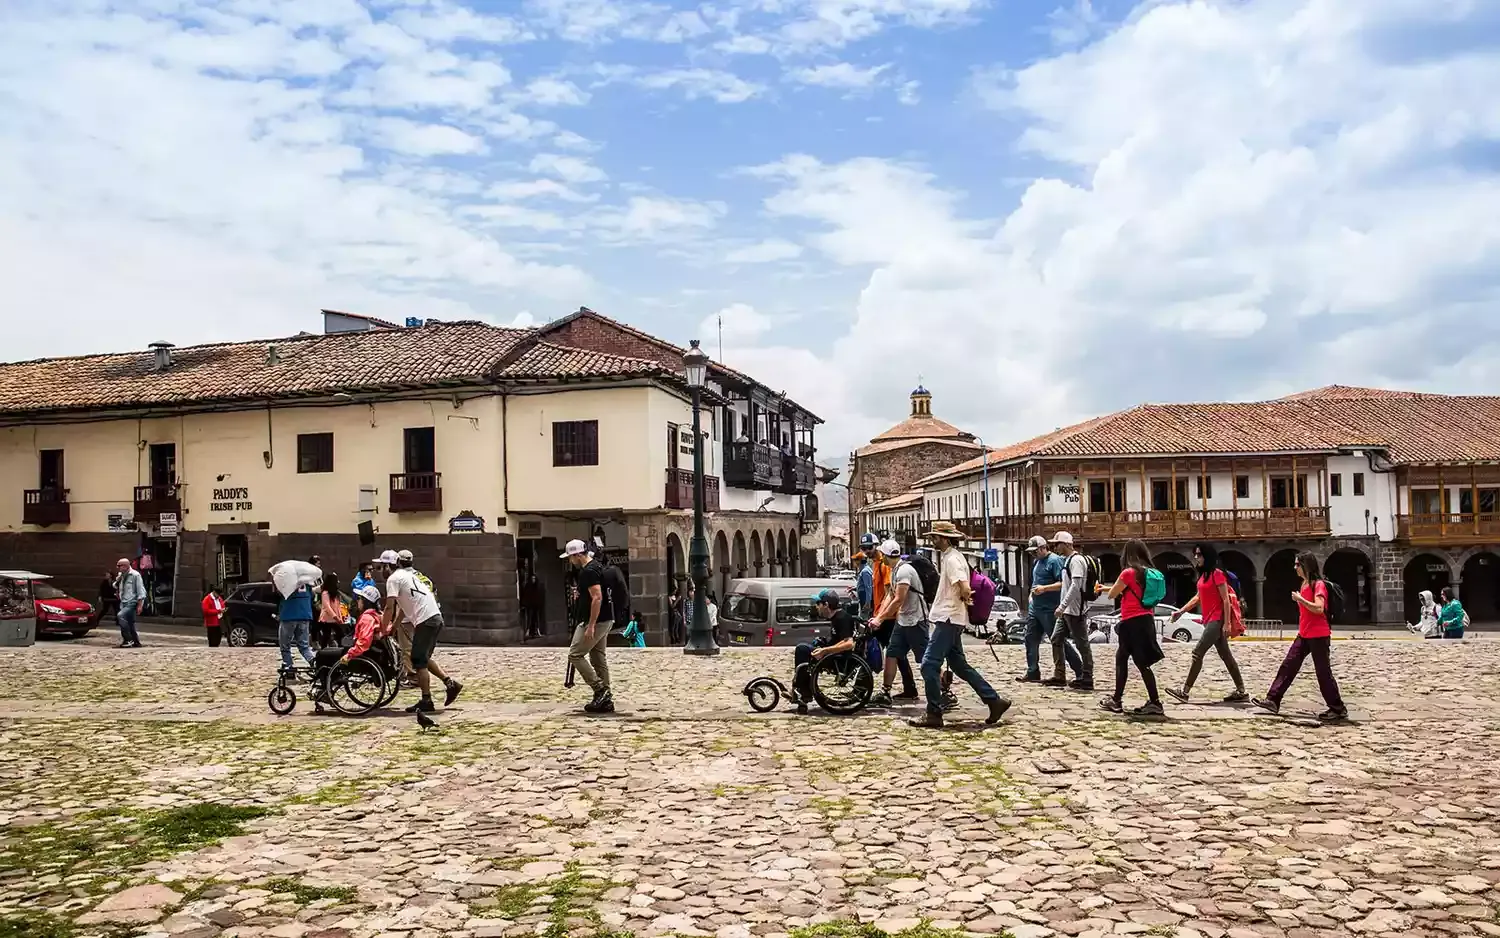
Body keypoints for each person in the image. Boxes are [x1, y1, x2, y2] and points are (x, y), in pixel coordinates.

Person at [909, 522, 1011, 729]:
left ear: (945, 539)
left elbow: (963, 585)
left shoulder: (953, 559)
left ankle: (934, 713)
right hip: (953, 618)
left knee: (929, 664)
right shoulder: (952, 557)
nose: (932, 540)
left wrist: (966, 597)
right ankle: (994, 701)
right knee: (959, 666)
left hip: (948, 618)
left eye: (935, 537)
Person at [1254, 552, 1347, 722]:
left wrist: (1300, 599)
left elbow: (1319, 608)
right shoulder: (1304, 584)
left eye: (1297, 564)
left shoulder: (1318, 585)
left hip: (1319, 635)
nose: (1295, 568)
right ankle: (1273, 700)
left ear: (1306, 566)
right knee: (1288, 666)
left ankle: (1338, 708)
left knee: (1323, 673)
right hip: (1304, 635)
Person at [379, 549, 462, 714]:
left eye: (381, 567)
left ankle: (427, 700)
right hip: (434, 617)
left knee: (418, 660)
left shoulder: (393, 579)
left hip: (426, 620)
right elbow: (402, 607)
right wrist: (394, 627)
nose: (379, 571)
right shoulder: (408, 576)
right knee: (422, 657)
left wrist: (382, 629)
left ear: (388, 566)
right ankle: (450, 683)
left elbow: (389, 607)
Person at [1164, 544, 1248, 704]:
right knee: (1226, 656)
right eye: (1195, 555)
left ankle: (1184, 691)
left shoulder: (1217, 574)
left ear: (1207, 556)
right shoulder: (1203, 577)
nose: (1196, 558)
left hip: (1217, 620)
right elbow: (1198, 598)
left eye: (1199, 555)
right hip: (1209, 619)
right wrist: (1180, 611)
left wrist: (1227, 624)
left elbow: (1225, 599)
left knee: (1197, 652)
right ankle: (1241, 691)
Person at [1097, 539, 1166, 716]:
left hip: (1131, 622)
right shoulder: (1150, 572)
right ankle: (1118, 699)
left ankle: (1152, 702)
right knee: (1128, 659)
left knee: (1136, 663)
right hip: (1146, 620)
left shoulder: (1128, 572)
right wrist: (1106, 588)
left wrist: (1108, 590)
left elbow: (1114, 593)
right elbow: (1127, 590)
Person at [312, 585, 386, 713]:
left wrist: (350, 654)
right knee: (331, 652)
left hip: (359, 655)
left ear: (365, 602)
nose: (358, 602)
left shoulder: (367, 618)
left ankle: (325, 687)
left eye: (360, 599)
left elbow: (363, 643)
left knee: (322, 655)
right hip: (367, 653)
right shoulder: (379, 615)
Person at [1017, 536, 1081, 683]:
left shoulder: (1055, 561)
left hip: (1049, 609)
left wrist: (1045, 589)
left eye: (1035, 551)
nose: (1033, 554)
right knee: (1030, 638)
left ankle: (1079, 668)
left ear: (1043, 548)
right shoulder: (1037, 562)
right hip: (1036, 608)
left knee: (1058, 641)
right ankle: (1032, 671)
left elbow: (1063, 583)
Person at [868, 539, 923, 706]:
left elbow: (898, 599)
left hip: (916, 620)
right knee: (892, 654)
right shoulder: (894, 570)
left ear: (885, 555)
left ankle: (945, 689)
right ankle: (885, 692)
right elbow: (889, 596)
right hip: (903, 620)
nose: (881, 558)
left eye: (882, 555)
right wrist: (878, 616)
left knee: (926, 659)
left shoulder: (904, 571)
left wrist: (881, 618)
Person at [563, 539, 615, 713]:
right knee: (598, 657)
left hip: (596, 621)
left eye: (570, 557)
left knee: (575, 654)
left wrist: (591, 625)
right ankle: (605, 699)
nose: (570, 561)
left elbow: (597, 597)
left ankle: (600, 689)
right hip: (607, 618)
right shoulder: (598, 567)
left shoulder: (588, 572)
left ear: (577, 555)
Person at [792, 588, 860, 714]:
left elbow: (849, 643)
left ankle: (804, 691)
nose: (816, 607)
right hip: (832, 655)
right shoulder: (835, 618)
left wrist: (824, 651)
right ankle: (803, 687)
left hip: (838, 660)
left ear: (826, 605)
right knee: (808, 648)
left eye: (818, 604)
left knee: (802, 649)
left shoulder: (842, 618)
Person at [1047, 531, 1094, 691]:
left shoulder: (1077, 561)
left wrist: (1062, 606)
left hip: (1075, 611)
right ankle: (1059, 675)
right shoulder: (1068, 560)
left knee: (1082, 644)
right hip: (1068, 611)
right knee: (1056, 639)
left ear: (1066, 544)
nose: (1055, 547)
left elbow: (1075, 586)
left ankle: (1087, 678)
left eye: (1057, 544)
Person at [277, 575, 317, 675]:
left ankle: (288, 667)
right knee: (304, 646)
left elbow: (279, 594)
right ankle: (314, 661)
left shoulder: (286, 583)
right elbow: (311, 596)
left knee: (285, 645)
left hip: (288, 615)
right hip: (304, 615)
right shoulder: (307, 583)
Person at [114, 558, 146, 649]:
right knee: (130, 622)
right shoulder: (121, 575)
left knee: (120, 616)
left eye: (119, 566)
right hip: (123, 602)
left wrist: (140, 605)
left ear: (126, 566)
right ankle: (136, 642)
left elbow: (141, 590)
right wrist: (118, 580)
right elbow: (115, 585)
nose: (118, 568)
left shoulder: (135, 575)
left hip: (132, 601)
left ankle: (128, 640)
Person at [317, 571, 344, 650]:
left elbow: (337, 607)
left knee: (340, 634)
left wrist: (340, 617)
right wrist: (336, 617)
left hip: (334, 619)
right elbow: (327, 607)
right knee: (326, 635)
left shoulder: (335, 593)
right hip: (327, 619)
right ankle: (323, 651)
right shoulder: (325, 593)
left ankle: (340, 649)